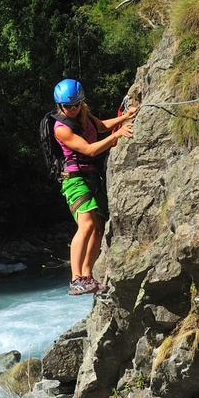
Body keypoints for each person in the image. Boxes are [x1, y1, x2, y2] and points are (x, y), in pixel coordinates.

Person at [51, 78, 138, 295]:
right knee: (87, 224)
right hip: (74, 179)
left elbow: (99, 127)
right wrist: (117, 134)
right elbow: (89, 150)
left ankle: (88, 277)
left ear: (81, 102)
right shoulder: (61, 128)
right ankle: (75, 279)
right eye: (67, 106)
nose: (72, 110)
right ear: (60, 105)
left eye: (76, 105)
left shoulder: (84, 113)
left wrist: (125, 117)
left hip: (92, 177)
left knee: (98, 227)